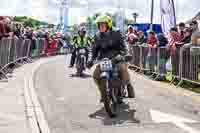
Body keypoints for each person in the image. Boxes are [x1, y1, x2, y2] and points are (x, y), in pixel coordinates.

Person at [87, 14, 135, 102]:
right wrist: (90, 59)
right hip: (104, 60)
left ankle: (127, 84)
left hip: (117, 57)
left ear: (108, 24)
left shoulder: (117, 32)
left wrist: (127, 53)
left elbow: (124, 44)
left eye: (103, 24)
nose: (100, 27)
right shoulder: (97, 36)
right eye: (99, 25)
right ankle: (103, 92)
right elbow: (93, 49)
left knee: (123, 69)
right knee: (95, 75)